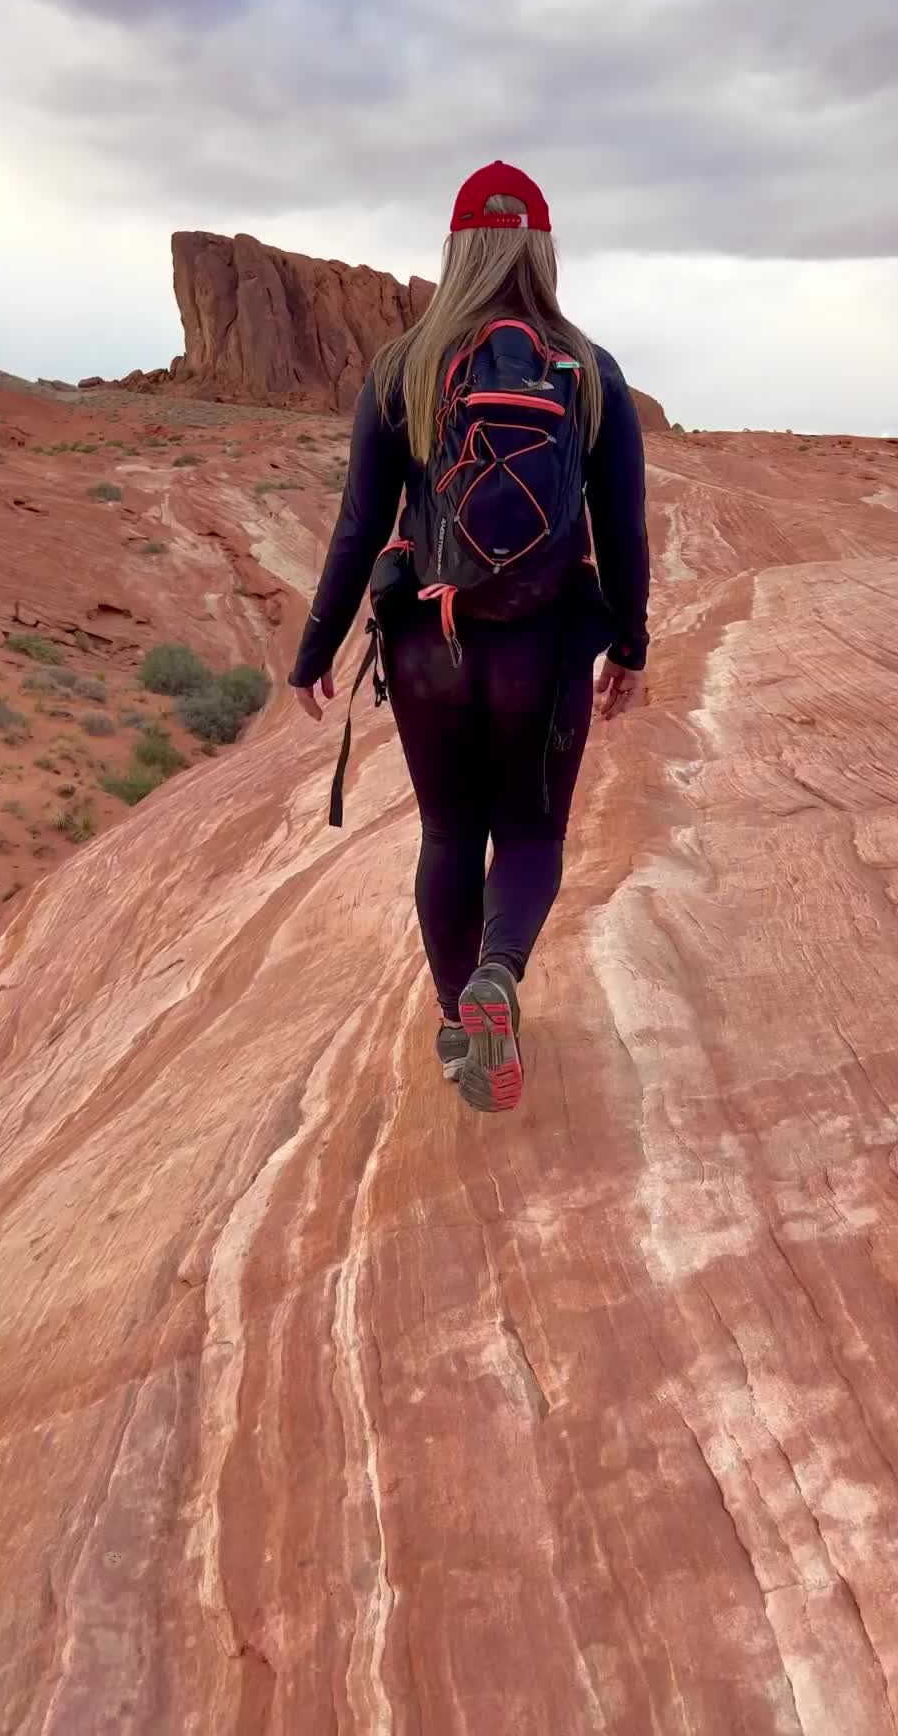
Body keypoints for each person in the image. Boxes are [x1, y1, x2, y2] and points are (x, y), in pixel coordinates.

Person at [289, 161, 649, 1114]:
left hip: (427, 644)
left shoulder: (404, 365)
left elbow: (360, 525)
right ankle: (500, 973)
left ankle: (458, 1025)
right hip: (547, 642)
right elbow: (622, 530)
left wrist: (314, 649)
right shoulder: (589, 369)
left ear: (455, 249)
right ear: (543, 248)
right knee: (530, 830)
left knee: (451, 831)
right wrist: (635, 648)